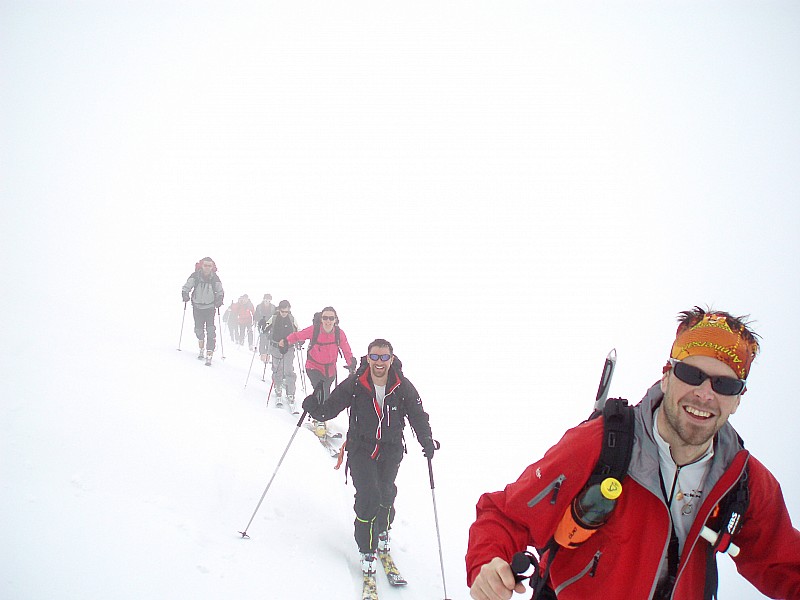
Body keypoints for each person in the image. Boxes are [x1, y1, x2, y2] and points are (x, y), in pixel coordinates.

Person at [466, 307, 800, 600]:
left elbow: (784, 564)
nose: (704, 394)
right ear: (667, 376)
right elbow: (505, 515)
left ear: (739, 398)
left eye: (724, 385)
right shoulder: (602, 444)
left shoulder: (743, 481)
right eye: (691, 374)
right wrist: (488, 563)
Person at [302, 339, 436, 577]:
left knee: (386, 494)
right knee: (368, 495)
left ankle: (383, 530)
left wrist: (426, 440)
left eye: (384, 357)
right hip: (360, 449)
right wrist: (314, 407)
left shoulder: (402, 386)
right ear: (368, 358)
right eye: (375, 357)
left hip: (391, 449)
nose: (379, 362)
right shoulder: (356, 383)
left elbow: (417, 415)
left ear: (391, 359)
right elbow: (330, 408)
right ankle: (366, 548)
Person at [283, 306, 356, 432]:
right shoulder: (314, 330)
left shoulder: (339, 333)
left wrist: (351, 364)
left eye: (331, 318)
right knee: (320, 391)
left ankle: (317, 413)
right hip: (313, 366)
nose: (328, 321)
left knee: (326, 395)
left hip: (330, 370)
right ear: (321, 319)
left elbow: (346, 349)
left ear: (335, 320)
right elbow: (298, 336)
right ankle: (319, 420)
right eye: (325, 318)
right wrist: (285, 342)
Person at [180, 257, 224, 362]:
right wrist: (185, 294)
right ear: (202, 265)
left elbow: (220, 291)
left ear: (212, 267)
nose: (207, 268)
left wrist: (219, 299)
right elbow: (187, 286)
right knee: (198, 330)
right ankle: (201, 346)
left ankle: (209, 351)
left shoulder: (215, 278)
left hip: (210, 308)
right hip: (197, 307)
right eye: (205, 265)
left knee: (211, 330)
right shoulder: (195, 276)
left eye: (209, 266)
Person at [259, 300, 299, 410]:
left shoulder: (292, 319)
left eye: (286, 311)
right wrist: (262, 324)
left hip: (289, 348)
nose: (284, 313)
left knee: (289, 370)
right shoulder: (274, 318)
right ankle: (278, 387)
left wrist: (300, 341)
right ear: (279, 310)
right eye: (282, 311)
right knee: (277, 369)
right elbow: (265, 329)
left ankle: (291, 393)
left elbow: (298, 331)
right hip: (276, 347)